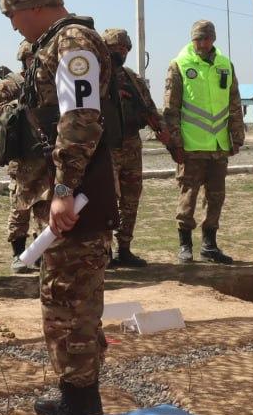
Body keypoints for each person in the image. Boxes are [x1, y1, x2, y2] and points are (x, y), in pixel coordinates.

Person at [0, 0, 118, 415]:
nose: (12, 25)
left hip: (76, 197)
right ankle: (76, 394)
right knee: (66, 300)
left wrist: (64, 189)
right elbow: (28, 125)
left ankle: (80, 412)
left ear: (32, 6)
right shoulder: (51, 46)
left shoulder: (73, 42)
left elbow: (80, 118)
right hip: (62, 193)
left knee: (70, 305)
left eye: (12, 15)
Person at [162, 20, 244, 264]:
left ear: (213, 39)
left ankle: (209, 245)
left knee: (216, 197)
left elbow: (234, 103)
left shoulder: (225, 65)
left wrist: (237, 136)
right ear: (192, 39)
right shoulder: (179, 65)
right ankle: (185, 245)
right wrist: (175, 143)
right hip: (191, 146)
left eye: (207, 38)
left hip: (218, 145)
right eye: (198, 38)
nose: (203, 43)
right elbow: (171, 109)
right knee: (188, 196)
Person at [101, 28, 171, 268]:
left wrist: (163, 130)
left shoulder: (133, 79)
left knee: (131, 200)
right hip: (106, 147)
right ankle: (104, 251)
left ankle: (124, 248)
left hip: (131, 145)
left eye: (125, 48)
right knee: (107, 200)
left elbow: (149, 109)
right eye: (116, 47)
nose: (121, 52)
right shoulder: (95, 77)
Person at [0, 40, 47, 274]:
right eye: (31, 59)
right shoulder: (11, 84)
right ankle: (18, 255)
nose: (35, 63)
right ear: (23, 59)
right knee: (20, 208)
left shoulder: (50, 83)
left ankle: (40, 254)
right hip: (22, 157)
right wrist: (21, 104)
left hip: (46, 157)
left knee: (45, 209)